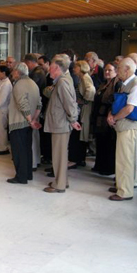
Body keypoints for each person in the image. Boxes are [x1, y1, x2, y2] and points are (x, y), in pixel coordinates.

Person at [107, 57, 137, 201]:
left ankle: (124, 191)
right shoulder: (125, 84)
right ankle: (128, 183)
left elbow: (129, 108)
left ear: (128, 69)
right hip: (124, 125)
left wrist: (114, 118)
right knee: (128, 158)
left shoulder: (136, 84)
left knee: (125, 159)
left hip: (128, 126)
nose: (117, 72)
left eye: (119, 69)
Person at [43, 54, 80, 193]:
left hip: (61, 124)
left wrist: (73, 119)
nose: (49, 70)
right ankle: (63, 181)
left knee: (59, 155)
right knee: (61, 154)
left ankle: (59, 185)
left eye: (51, 68)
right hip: (61, 123)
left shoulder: (62, 82)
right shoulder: (63, 80)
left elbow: (69, 103)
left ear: (57, 68)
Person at [7, 62, 41, 184]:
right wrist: (33, 120)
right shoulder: (33, 84)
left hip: (19, 122)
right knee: (27, 149)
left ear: (17, 72)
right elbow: (39, 104)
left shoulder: (19, 84)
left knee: (18, 151)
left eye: (13, 71)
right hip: (28, 123)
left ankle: (21, 177)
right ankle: (28, 174)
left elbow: (22, 104)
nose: (12, 73)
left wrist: (29, 119)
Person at [92, 62, 120, 175]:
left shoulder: (117, 84)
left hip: (108, 117)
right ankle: (99, 164)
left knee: (108, 143)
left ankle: (108, 167)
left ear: (116, 72)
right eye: (106, 70)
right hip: (99, 117)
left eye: (110, 70)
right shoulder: (103, 84)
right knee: (100, 142)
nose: (107, 72)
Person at [68, 60, 95, 168]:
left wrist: (84, 101)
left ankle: (75, 159)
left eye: (76, 67)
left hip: (83, 112)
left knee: (77, 135)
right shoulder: (82, 78)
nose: (74, 69)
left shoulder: (85, 78)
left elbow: (90, 90)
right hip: (82, 110)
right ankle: (79, 158)